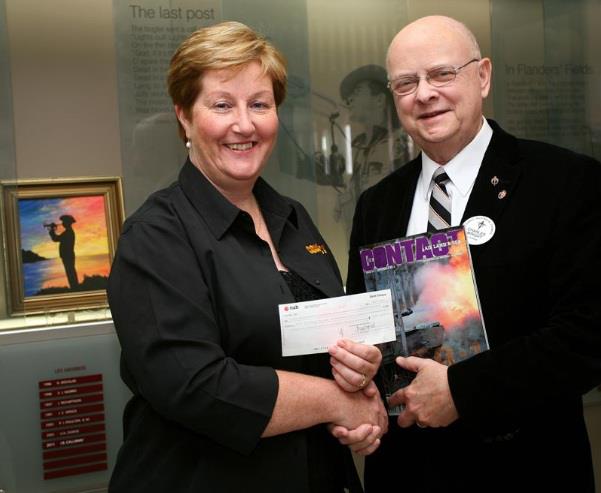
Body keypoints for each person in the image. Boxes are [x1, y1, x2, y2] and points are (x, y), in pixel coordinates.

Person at [107, 21, 387, 493]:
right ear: (184, 117)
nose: (245, 124)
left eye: (260, 104)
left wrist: (360, 373)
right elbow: (196, 385)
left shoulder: (294, 218)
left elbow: (325, 337)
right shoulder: (155, 236)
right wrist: (334, 401)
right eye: (222, 105)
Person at [345, 15, 601, 493]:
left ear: (482, 75)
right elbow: (366, 330)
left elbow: (587, 335)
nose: (424, 93)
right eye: (406, 83)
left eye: (442, 74)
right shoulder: (377, 204)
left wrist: (463, 392)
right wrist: (356, 388)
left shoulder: (565, 182)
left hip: (525, 469)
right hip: (406, 472)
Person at [334, 65, 412, 236]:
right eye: (349, 95)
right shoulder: (357, 146)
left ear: (379, 100)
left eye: (358, 91)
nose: (350, 100)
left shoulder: (400, 142)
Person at [47, 214, 79, 290]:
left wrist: (52, 231)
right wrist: (52, 230)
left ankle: (74, 288)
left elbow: (56, 239)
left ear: (67, 223)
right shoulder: (68, 232)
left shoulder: (68, 233)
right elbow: (57, 239)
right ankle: (75, 287)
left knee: (70, 272)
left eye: (64, 222)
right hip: (69, 256)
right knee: (71, 272)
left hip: (67, 256)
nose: (62, 223)